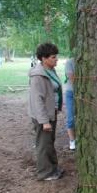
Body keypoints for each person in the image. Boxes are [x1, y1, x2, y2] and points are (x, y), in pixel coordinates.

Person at [28, 43, 64, 181]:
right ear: (44, 58)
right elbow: (37, 100)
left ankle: (53, 168)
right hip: (42, 116)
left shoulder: (50, 70)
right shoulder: (38, 75)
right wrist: (44, 121)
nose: (56, 60)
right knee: (43, 144)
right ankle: (44, 173)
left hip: (51, 112)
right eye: (53, 57)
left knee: (49, 142)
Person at [64, 59, 76, 150]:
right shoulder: (70, 62)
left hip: (83, 94)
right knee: (70, 118)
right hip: (71, 93)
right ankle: (72, 140)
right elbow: (71, 78)